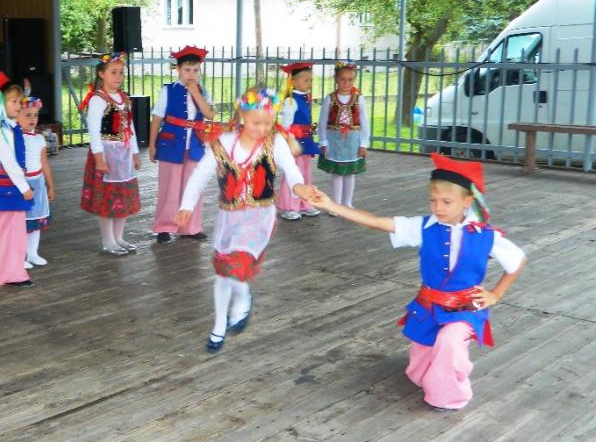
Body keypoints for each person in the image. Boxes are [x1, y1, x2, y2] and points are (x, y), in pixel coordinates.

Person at [309, 153, 526, 410]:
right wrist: (331, 205)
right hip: (428, 306)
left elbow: (517, 260)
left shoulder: (486, 236)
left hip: (466, 308)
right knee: (422, 356)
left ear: (467, 201)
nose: (438, 207)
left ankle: (450, 396)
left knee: (450, 343)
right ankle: (430, 376)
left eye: (446, 201)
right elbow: (378, 223)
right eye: (433, 200)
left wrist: (496, 294)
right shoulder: (423, 227)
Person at [178, 86, 319, 353]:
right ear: (242, 116)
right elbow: (199, 176)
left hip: (259, 217)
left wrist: (300, 188)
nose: (262, 129)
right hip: (228, 217)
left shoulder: (275, 142)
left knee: (238, 266)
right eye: (256, 123)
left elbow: (292, 172)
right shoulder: (223, 142)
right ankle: (219, 326)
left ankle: (242, 298)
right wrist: (186, 204)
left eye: (267, 123)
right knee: (222, 274)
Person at [148, 46, 215, 243]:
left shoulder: (202, 91)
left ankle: (190, 227)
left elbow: (209, 114)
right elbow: (157, 118)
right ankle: (164, 227)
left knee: (192, 186)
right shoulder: (168, 90)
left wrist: (196, 92)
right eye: (187, 70)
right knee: (169, 187)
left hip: (194, 145)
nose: (191, 74)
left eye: (195, 70)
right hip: (171, 145)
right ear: (178, 69)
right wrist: (152, 145)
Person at [79, 53, 141, 255]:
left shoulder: (124, 98)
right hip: (106, 154)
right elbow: (94, 131)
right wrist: (99, 159)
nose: (118, 76)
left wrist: (135, 152)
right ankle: (108, 241)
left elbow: (129, 127)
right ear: (101, 74)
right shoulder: (98, 99)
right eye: (113, 72)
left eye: (121, 72)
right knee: (107, 197)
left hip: (123, 153)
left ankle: (119, 237)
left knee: (123, 195)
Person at [0, 73, 35, 287]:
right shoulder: (2, 130)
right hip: (9, 188)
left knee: (7, 232)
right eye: (13, 101)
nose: (18, 106)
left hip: (8, 187)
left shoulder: (10, 126)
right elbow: (8, 162)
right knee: (11, 233)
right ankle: (11, 273)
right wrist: (24, 187)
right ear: (1, 103)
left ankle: (2, 270)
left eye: (20, 101)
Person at [317, 60, 369, 210]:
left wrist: (364, 143)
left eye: (350, 79)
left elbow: (364, 122)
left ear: (354, 80)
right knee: (337, 173)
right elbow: (322, 122)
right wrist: (323, 142)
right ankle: (336, 204)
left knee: (349, 173)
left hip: (353, 141)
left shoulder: (359, 99)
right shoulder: (330, 99)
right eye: (342, 79)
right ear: (336, 79)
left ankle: (347, 203)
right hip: (334, 141)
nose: (346, 83)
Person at [276, 62, 322, 220]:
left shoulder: (305, 98)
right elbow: (285, 124)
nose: (309, 83)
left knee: (305, 173)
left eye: (310, 80)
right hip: (295, 142)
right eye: (306, 80)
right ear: (294, 81)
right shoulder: (291, 100)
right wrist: (289, 141)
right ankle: (289, 205)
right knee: (293, 173)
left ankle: (304, 203)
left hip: (306, 141)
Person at [18, 90, 55, 268]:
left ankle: (32, 253)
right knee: (21, 222)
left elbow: (44, 163)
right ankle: (19, 257)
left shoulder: (40, 138)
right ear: (17, 116)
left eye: (35, 115)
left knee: (36, 220)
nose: (32, 119)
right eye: (27, 115)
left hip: (38, 183)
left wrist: (50, 185)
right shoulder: (16, 138)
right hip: (22, 184)